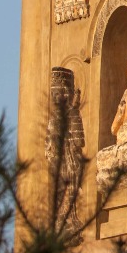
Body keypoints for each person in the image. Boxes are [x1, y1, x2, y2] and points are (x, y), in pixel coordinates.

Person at [46, 67, 85, 235]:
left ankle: (70, 218)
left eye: (58, 92)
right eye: (53, 93)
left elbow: (79, 141)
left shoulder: (72, 114)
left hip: (68, 159)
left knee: (68, 189)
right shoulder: (53, 117)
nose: (55, 97)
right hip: (56, 160)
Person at [95, 54, 127, 191]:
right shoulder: (126, 92)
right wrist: (120, 116)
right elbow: (114, 129)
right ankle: (115, 178)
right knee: (102, 155)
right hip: (122, 142)